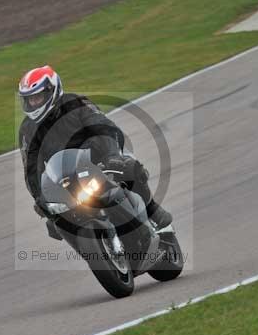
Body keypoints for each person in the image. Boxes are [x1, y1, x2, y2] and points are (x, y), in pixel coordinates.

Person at [17, 65, 173, 229]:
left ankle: (152, 210)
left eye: (38, 97)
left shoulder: (76, 103)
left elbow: (103, 126)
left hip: (100, 160)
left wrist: (113, 156)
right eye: (29, 99)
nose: (33, 103)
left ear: (52, 91)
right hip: (65, 178)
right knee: (56, 224)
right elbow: (31, 169)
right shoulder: (27, 130)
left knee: (130, 168)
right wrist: (39, 198)